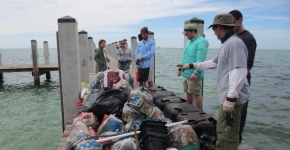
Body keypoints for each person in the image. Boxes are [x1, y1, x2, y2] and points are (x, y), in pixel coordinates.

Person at [177, 14, 250, 150]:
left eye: (214, 29)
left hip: (232, 100)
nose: (214, 33)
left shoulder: (234, 44)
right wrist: (192, 65)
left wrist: (231, 98)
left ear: (220, 27)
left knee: (225, 133)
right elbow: (213, 62)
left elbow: (239, 71)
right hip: (228, 98)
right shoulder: (227, 44)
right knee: (226, 131)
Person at [229, 10, 257, 144]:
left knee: (241, 110)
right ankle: (230, 134)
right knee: (229, 111)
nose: (231, 24)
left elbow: (248, 66)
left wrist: (236, 85)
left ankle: (238, 138)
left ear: (240, 19)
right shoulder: (232, 37)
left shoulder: (248, 38)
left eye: (233, 21)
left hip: (243, 80)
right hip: (231, 78)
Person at [177, 23, 209, 111]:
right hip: (186, 73)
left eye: (186, 33)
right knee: (188, 92)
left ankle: (199, 111)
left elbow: (201, 59)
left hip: (194, 74)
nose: (185, 35)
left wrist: (196, 72)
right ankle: (189, 108)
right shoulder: (188, 42)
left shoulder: (202, 41)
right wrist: (180, 69)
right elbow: (185, 57)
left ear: (192, 32)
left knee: (197, 93)